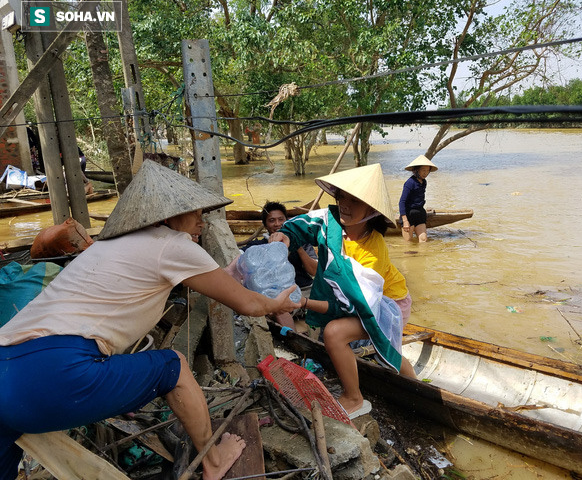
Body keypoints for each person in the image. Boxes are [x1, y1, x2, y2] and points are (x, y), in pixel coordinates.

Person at [0, 160, 300, 480]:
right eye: (196, 213)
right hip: (58, 372)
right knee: (173, 366)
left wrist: (236, 271)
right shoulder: (172, 244)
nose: (202, 222)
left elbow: (215, 280)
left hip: (7, 366)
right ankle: (212, 462)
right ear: (169, 216)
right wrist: (277, 303)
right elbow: (249, 304)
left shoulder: (110, 247)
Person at [269, 163, 416, 419]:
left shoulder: (373, 249)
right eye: (341, 196)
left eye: (354, 199)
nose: (345, 205)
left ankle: (359, 397)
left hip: (387, 303)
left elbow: (354, 304)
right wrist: (286, 235)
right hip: (362, 299)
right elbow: (305, 224)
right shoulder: (331, 222)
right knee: (370, 344)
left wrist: (303, 303)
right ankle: (408, 381)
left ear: (371, 209)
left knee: (341, 335)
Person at [242, 201, 318, 330]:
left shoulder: (302, 243)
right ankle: (292, 338)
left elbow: (314, 271)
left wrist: (296, 246)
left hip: (305, 291)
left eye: (280, 219)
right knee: (276, 306)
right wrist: (272, 248)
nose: (277, 224)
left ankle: (297, 335)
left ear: (286, 221)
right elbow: (240, 261)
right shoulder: (258, 247)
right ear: (265, 224)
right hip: (277, 294)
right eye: (272, 220)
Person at [398, 155, 438, 242]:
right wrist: (405, 221)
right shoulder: (410, 183)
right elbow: (402, 202)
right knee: (408, 242)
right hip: (409, 215)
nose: (425, 173)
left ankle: (422, 256)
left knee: (423, 240)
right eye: (423, 170)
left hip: (420, 214)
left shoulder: (424, 182)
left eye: (427, 171)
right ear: (416, 170)